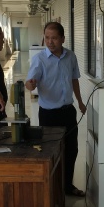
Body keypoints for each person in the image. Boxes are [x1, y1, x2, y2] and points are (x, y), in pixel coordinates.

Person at [25, 21, 87, 197]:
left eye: (54, 38)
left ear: (62, 39)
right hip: (49, 114)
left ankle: (67, 186)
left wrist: (80, 102)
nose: (50, 42)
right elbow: (30, 82)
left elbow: (74, 80)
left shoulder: (70, 56)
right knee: (50, 151)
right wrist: (31, 85)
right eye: (47, 38)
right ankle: (52, 189)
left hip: (68, 111)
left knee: (71, 150)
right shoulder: (39, 59)